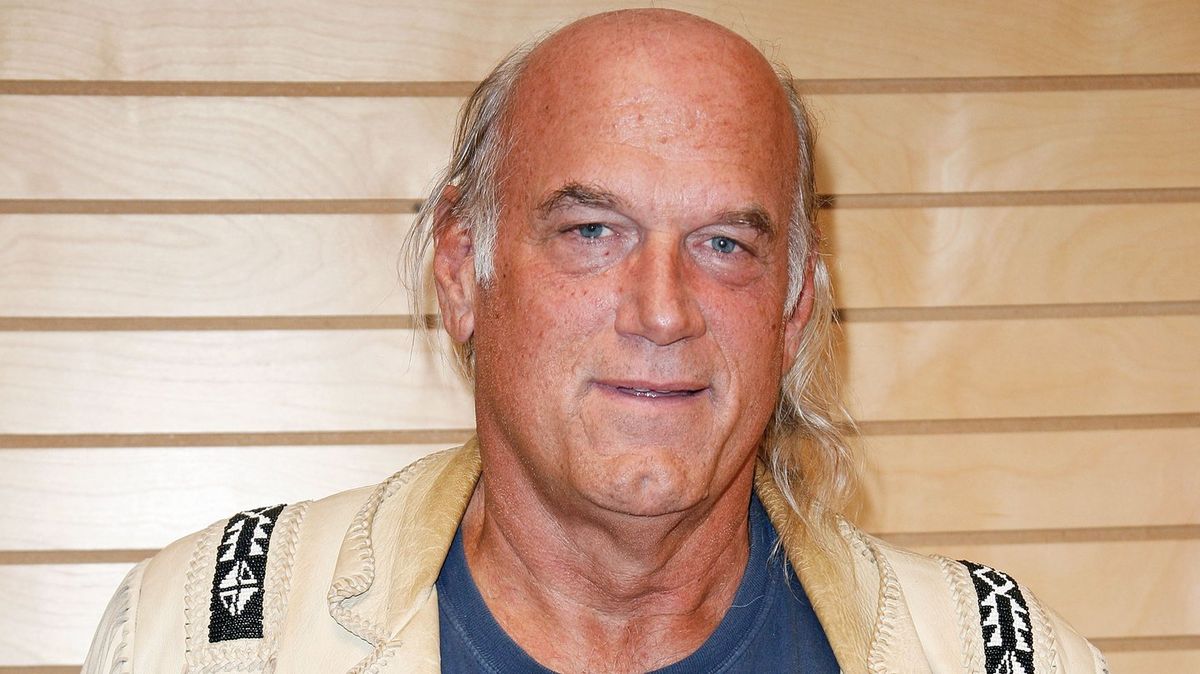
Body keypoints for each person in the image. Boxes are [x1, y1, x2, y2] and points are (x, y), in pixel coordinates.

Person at [84, 9, 1106, 673]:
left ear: (793, 308)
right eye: (591, 232)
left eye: (724, 244)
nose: (662, 311)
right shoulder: (211, 638)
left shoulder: (997, 656)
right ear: (463, 272)